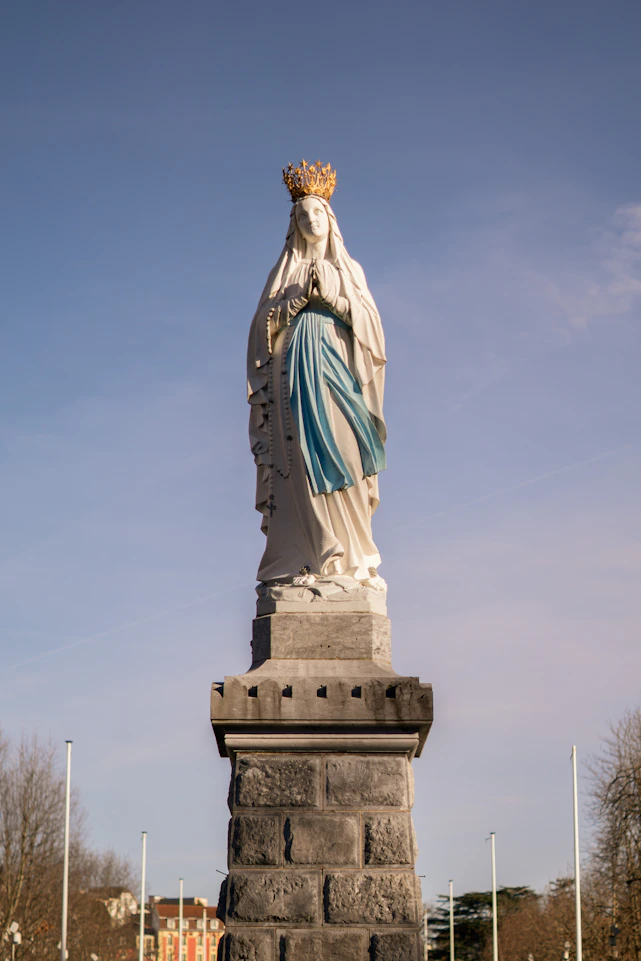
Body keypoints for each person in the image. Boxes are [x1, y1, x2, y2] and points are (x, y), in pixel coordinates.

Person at [247, 162, 387, 591]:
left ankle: (352, 558)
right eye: (303, 215)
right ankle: (310, 556)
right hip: (292, 376)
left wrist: (331, 299)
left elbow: (373, 334)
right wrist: (290, 306)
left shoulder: (350, 271)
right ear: (295, 223)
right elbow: (259, 332)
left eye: (318, 213)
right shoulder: (283, 272)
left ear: (331, 219)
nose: (311, 220)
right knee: (301, 463)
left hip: (336, 371)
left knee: (343, 454)